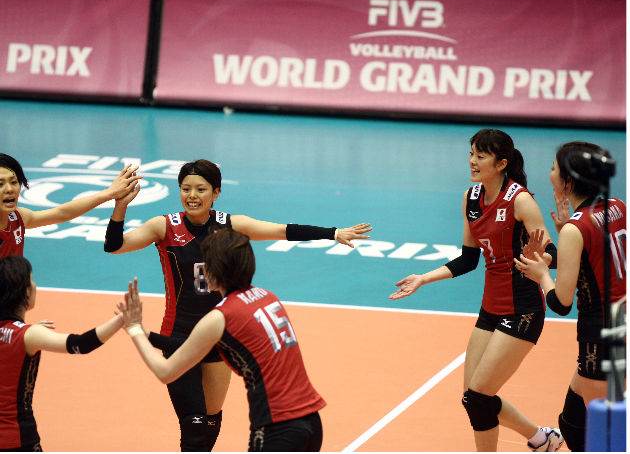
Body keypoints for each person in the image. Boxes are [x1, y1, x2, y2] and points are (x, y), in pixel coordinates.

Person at [103, 159, 370, 451]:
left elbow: (282, 230)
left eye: (201, 189)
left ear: (216, 193)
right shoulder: (164, 226)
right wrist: (120, 206)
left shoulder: (230, 225)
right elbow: (114, 246)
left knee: (210, 420)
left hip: (220, 336)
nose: (192, 195)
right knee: (193, 423)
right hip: (178, 333)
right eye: (185, 189)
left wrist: (332, 233)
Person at [389, 129, 563, 452]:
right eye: (471, 153)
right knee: (472, 397)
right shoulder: (471, 198)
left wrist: (541, 259)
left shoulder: (520, 200)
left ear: (501, 163)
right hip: (490, 307)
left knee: (480, 395)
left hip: (523, 309)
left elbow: (554, 252)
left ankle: (541, 439)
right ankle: (542, 438)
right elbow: (469, 259)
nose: (472, 161)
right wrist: (423, 279)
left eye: (480, 156)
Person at [117, 228, 326, 451]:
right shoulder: (267, 297)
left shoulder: (221, 317)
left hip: (277, 428)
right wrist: (147, 334)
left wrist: (134, 330)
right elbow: (193, 346)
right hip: (311, 422)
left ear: (213, 270)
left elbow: (166, 371)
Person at [514, 141, 626, 452]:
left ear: (568, 182)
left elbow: (561, 303)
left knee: (607, 433)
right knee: (573, 422)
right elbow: (597, 257)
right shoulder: (617, 206)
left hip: (600, 334)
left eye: (553, 169)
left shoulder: (576, 229)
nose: (549, 174)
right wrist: (566, 231)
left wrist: (541, 274)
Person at [0, 255, 123, 451]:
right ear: (25, 291)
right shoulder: (28, 335)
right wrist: (121, 320)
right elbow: (80, 344)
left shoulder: (28, 333)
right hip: (18, 438)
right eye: (32, 280)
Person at [0, 153, 140, 258]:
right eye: (0, 184)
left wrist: (109, 193)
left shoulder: (17, 217)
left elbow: (62, 213)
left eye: (14, 182)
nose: (9, 189)